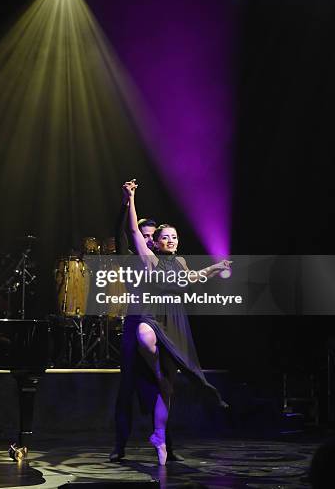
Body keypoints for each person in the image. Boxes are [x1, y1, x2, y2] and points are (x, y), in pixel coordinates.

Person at [111, 180, 230, 465]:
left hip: (173, 321)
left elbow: (191, 278)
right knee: (129, 385)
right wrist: (129, 201)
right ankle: (120, 445)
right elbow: (126, 233)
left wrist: (215, 268)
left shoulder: (179, 262)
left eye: (161, 235)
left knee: (166, 387)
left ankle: (164, 442)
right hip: (143, 318)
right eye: (152, 235)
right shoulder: (138, 258)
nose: (156, 239)